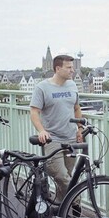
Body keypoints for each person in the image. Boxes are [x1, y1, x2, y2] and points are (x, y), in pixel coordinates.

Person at [30, 54, 83, 202]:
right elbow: (34, 112)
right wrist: (41, 130)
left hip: (71, 138)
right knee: (61, 175)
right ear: (58, 68)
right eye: (69, 67)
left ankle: (60, 210)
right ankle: (76, 201)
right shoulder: (42, 88)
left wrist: (79, 128)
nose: (72, 70)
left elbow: (77, 108)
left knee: (67, 176)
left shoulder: (72, 85)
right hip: (53, 139)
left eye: (72, 67)